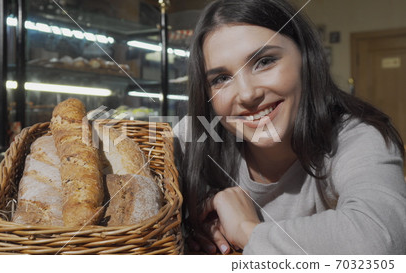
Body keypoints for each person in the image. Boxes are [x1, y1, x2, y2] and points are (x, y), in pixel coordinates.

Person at [173, 0, 406, 255]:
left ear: (306, 58)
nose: (247, 94)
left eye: (264, 62)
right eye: (221, 79)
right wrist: (189, 227)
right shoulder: (194, 137)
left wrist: (246, 230)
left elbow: (382, 240)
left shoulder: (355, 138)